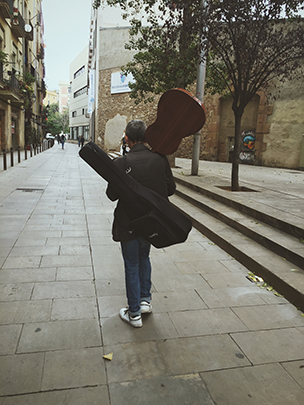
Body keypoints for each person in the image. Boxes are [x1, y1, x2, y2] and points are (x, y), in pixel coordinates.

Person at [106, 119, 176, 328]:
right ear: (146, 138)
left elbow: (111, 195)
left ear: (127, 138)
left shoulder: (121, 163)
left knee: (132, 264)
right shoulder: (160, 159)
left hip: (128, 223)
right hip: (151, 221)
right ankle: (145, 301)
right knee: (144, 257)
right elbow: (170, 189)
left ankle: (134, 313)